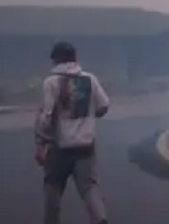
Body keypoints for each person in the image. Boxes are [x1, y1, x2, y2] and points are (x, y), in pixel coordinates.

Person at [34, 41, 111, 224]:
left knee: (53, 188)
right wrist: (89, 116)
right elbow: (104, 106)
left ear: (55, 60)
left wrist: (40, 144)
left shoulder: (51, 83)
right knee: (89, 188)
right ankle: (100, 219)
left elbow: (46, 116)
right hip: (86, 146)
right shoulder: (89, 79)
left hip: (59, 147)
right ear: (75, 58)